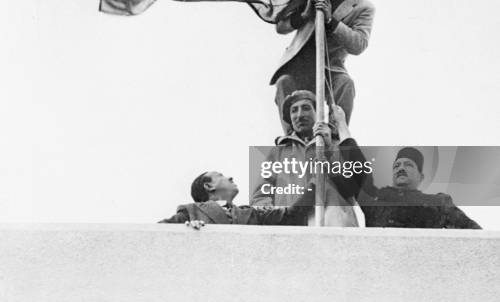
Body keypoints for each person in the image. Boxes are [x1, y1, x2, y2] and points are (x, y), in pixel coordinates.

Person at [271, 0, 375, 132]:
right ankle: (291, 139)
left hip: (330, 68)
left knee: (346, 85)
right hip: (300, 64)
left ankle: (335, 137)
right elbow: (280, 26)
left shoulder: (364, 7)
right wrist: (304, 14)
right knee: (283, 82)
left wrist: (331, 21)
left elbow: (359, 45)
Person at [331, 107, 481, 229]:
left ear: (421, 177)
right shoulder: (376, 199)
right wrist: (341, 123)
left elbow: (474, 234)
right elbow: (358, 165)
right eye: (397, 165)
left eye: (408, 164)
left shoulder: (437, 204)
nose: (401, 168)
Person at [250, 90, 364, 227]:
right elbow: (261, 195)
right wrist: (273, 219)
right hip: (291, 227)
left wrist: (328, 150)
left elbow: (353, 187)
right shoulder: (279, 152)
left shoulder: (336, 145)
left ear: (318, 113)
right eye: (294, 110)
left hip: (334, 224)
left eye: (306, 108)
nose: (299, 115)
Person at [158, 170, 316, 228]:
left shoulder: (251, 214)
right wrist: (185, 231)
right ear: (208, 186)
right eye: (220, 175)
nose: (230, 177)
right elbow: (157, 233)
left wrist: (316, 181)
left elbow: (291, 214)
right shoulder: (191, 212)